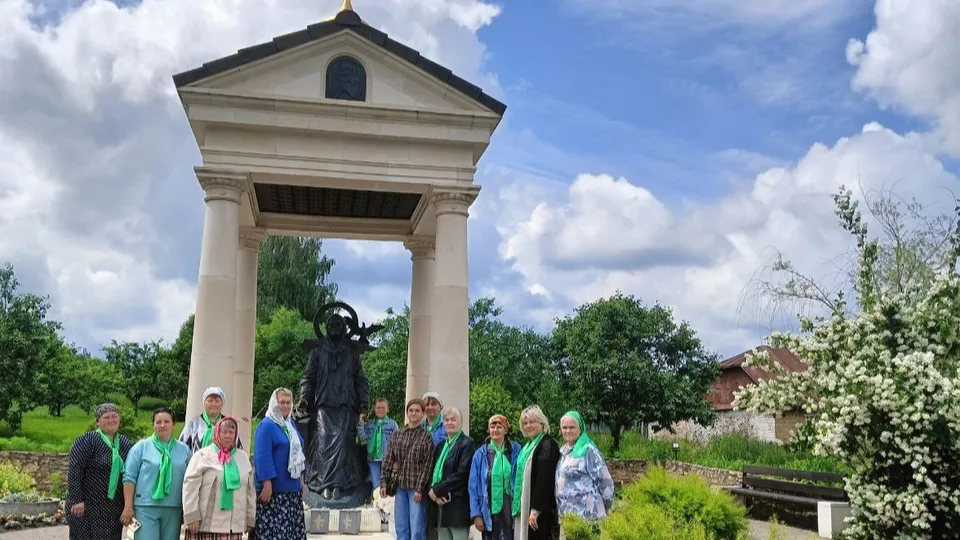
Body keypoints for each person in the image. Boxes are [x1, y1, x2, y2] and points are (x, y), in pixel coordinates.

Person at [122, 407, 193, 540]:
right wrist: (128, 506)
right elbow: (129, 477)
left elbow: (190, 480)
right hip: (145, 507)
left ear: (173, 424)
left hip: (174, 507)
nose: (162, 425)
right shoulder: (140, 447)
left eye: (166, 421)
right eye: (158, 422)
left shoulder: (184, 450)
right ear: (153, 424)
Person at [67, 403, 134, 540]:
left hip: (112, 508)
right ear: (98, 422)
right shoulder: (87, 440)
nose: (111, 420)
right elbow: (75, 469)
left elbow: (132, 471)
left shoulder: (124, 442)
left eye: (114, 416)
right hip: (86, 507)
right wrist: (76, 499)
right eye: (106, 417)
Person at [182, 417, 256, 539]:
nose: (228, 436)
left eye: (231, 432)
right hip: (204, 525)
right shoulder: (202, 455)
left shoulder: (242, 457)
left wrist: (249, 518)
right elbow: (190, 486)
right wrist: (191, 516)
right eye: (224, 432)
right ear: (217, 433)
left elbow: (250, 491)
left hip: (233, 526)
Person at [254, 388, 308, 540]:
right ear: (274, 403)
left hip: (293, 489)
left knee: (292, 532)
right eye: (282, 402)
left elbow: (299, 453)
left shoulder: (289, 424)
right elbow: (262, 456)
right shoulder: (266, 425)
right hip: (275, 491)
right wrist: (266, 483)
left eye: (288, 402)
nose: (285, 406)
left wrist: (301, 480)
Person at [380, 398, 435, 540]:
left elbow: (427, 466)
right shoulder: (398, 434)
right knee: (401, 526)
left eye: (417, 410)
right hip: (400, 487)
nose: (413, 413)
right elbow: (388, 458)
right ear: (407, 413)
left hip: (416, 488)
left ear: (422, 413)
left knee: (417, 526)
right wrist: (384, 482)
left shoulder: (426, 437)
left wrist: (419, 488)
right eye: (411, 410)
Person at [469, 415, 521, 540]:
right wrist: (476, 514)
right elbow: (473, 486)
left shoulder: (516, 451)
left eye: (499, 426)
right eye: (492, 426)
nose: (495, 429)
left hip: (510, 507)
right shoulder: (481, 454)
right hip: (488, 508)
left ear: (506, 430)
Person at [555, 412, 614, 521]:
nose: (568, 431)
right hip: (568, 517)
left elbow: (605, 482)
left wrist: (605, 507)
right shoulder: (562, 451)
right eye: (564, 427)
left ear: (580, 429)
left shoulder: (588, 450)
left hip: (589, 517)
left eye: (572, 427)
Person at [512, 405, 560, 540]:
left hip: (539, 512)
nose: (528, 426)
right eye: (525, 423)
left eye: (532, 422)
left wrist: (535, 510)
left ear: (541, 422)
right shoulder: (527, 446)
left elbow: (544, 479)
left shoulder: (547, 445)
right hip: (525, 506)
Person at [428, 408, 475, 540]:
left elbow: (462, 473)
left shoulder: (467, 443)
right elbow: (432, 471)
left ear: (461, 423)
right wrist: (434, 493)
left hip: (458, 505)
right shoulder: (441, 446)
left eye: (453, 420)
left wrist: (437, 490)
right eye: (446, 420)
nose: (449, 423)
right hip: (441, 503)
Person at [180, 387, 242, 453]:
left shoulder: (229, 424)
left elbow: (237, 449)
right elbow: (182, 449)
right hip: (198, 462)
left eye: (217, 401)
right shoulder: (194, 424)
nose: (213, 404)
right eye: (210, 401)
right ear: (204, 403)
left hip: (224, 462)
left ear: (222, 403)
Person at [358, 398, 398, 492]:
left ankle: (386, 504)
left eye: (383, 407)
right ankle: (378, 503)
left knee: (386, 484)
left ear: (388, 409)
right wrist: (361, 422)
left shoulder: (392, 425)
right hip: (373, 459)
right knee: (376, 484)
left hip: (387, 459)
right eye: (378, 407)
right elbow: (362, 437)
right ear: (374, 409)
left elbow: (397, 444)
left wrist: (396, 460)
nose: (380, 410)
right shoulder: (369, 424)